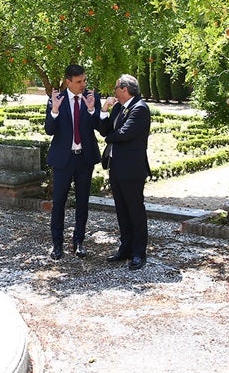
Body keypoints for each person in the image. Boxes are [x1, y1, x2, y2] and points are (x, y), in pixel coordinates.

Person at [44, 64, 102, 260]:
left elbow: (101, 127)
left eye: (84, 80)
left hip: (84, 159)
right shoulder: (56, 100)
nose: (83, 85)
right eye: (79, 82)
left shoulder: (91, 98)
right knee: (59, 203)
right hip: (63, 160)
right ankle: (57, 245)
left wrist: (93, 109)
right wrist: (54, 111)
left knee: (82, 203)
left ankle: (79, 242)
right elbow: (49, 130)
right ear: (68, 82)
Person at [99, 74, 151, 270]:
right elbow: (104, 130)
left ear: (124, 89)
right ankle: (126, 248)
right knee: (122, 210)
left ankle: (139, 253)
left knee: (135, 211)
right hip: (116, 166)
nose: (113, 91)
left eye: (115, 88)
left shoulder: (140, 108)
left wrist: (110, 137)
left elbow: (123, 134)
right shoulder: (120, 107)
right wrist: (104, 110)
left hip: (132, 169)